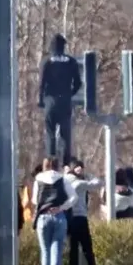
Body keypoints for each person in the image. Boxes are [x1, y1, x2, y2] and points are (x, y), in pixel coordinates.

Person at [32, 157, 77, 265]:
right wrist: (62, 207)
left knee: (45, 252)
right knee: (56, 252)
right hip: (58, 216)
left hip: (43, 217)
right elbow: (74, 197)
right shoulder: (62, 179)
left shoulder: (38, 180)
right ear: (57, 166)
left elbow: (35, 200)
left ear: (44, 165)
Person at [38, 33, 82, 166]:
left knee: (50, 133)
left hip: (50, 101)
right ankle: (66, 165)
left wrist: (41, 100)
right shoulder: (71, 61)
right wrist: (70, 94)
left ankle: (51, 164)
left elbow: (41, 83)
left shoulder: (46, 61)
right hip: (65, 102)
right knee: (65, 135)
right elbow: (78, 83)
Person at [65, 158, 102, 265]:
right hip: (80, 218)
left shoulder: (64, 181)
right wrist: (87, 175)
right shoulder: (79, 183)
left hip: (69, 219)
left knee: (73, 252)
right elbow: (98, 183)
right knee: (88, 251)